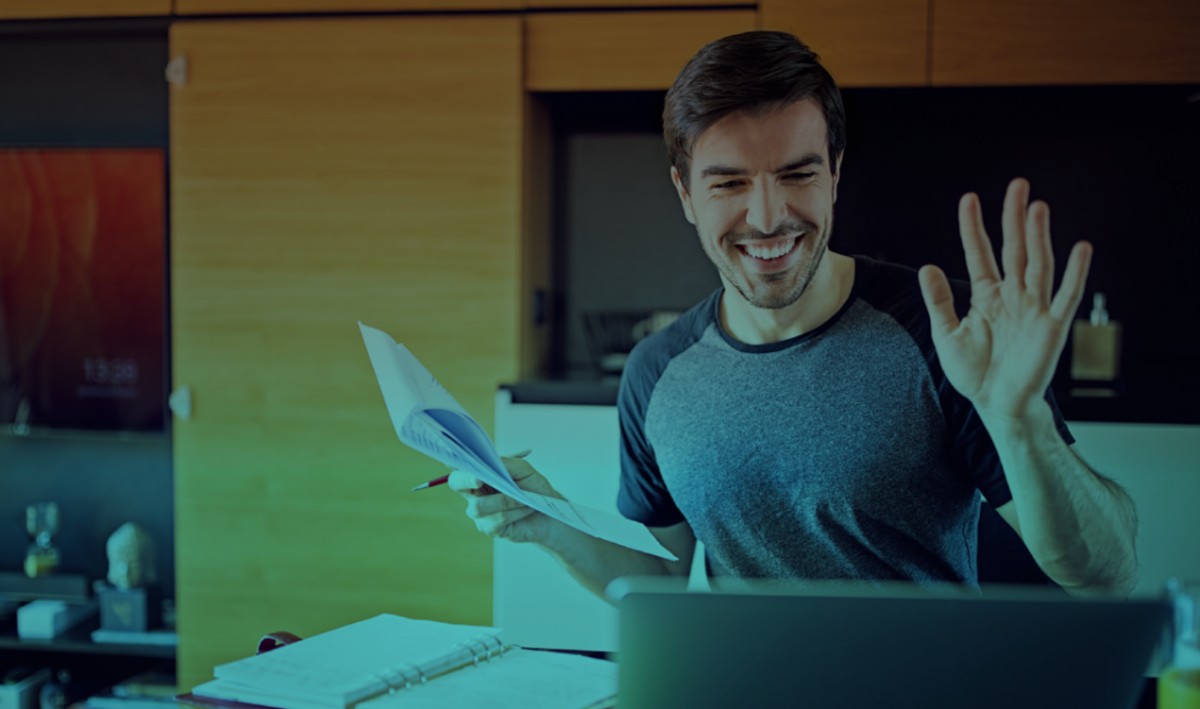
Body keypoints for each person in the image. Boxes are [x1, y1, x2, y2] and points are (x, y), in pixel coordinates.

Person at [450, 30, 1137, 599]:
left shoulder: (945, 334)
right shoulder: (657, 372)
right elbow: (656, 572)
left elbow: (1103, 571)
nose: (769, 215)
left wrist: (1024, 428)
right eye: (729, 183)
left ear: (836, 172)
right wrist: (545, 518)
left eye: (797, 174)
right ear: (685, 193)